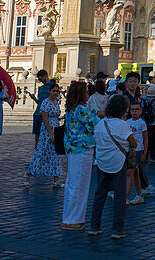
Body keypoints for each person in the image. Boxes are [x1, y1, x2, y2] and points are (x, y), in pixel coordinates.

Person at [89, 93, 135, 239]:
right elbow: (133, 142)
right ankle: (117, 229)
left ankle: (94, 226)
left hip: (102, 162)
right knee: (119, 196)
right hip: (118, 162)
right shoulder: (123, 124)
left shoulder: (100, 123)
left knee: (99, 195)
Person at [62, 81, 99, 230]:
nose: (88, 94)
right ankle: (73, 219)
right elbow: (95, 124)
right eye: (86, 91)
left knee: (73, 183)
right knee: (80, 184)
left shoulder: (72, 109)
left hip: (73, 149)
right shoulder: (81, 110)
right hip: (82, 149)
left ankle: (71, 217)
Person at [25, 82, 64, 188]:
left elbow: (55, 116)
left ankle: (56, 179)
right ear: (49, 91)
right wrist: (51, 133)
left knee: (54, 154)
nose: (55, 93)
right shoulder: (46, 102)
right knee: (41, 152)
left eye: (57, 91)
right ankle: (28, 174)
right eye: (54, 91)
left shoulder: (56, 102)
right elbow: (45, 119)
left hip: (55, 127)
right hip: (47, 131)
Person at [26, 69, 54, 147]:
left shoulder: (52, 87)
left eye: (41, 78)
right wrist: (34, 98)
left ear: (45, 76)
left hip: (45, 115)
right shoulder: (40, 88)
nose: (40, 80)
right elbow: (40, 103)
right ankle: (37, 152)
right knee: (37, 136)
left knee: (45, 136)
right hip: (37, 113)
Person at [143, 83, 155, 163]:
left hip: (145, 123)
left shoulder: (143, 100)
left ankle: (145, 155)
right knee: (153, 141)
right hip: (154, 123)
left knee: (146, 140)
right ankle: (154, 157)